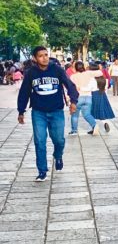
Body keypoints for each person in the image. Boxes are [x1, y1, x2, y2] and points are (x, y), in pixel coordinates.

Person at [17, 46, 79, 182]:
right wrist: (21, 111)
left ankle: (58, 155)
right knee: (39, 141)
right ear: (35, 58)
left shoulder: (57, 70)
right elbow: (24, 92)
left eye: (46, 55)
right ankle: (42, 171)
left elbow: (70, 85)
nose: (44, 58)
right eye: (41, 56)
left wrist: (73, 101)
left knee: (59, 140)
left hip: (56, 111)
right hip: (38, 112)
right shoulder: (31, 73)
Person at [70, 61, 103, 135]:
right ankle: (94, 125)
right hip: (88, 97)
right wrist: (100, 67)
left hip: (78, 97)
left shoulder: (73, 76)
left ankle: (74, 131)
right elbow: (100, 73)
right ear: (83, 67)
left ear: (75, 68)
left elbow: (70, 88)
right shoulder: (89, 73)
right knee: (87, 114)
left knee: (75, 115)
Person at [90, 66, 115, 133]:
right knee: (101, 109)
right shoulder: (102, 78)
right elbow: (106, 87)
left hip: (94, 94)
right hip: (102, 94)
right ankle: (105, 122)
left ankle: (94, 127)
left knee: (92, 111)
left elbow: (90, 88)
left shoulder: (92, 79)